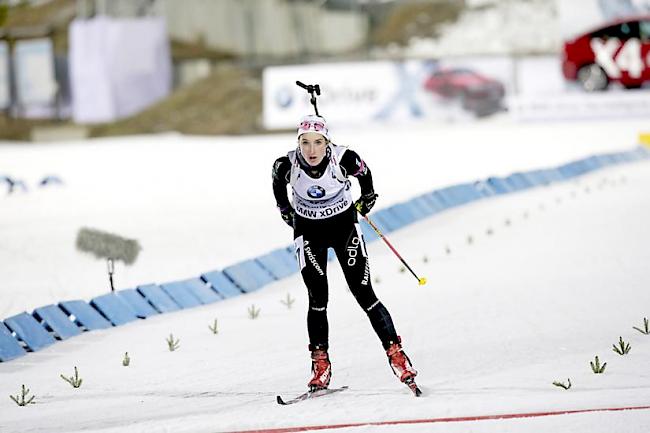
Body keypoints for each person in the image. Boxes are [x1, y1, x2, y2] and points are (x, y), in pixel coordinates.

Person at [271, 114, 418, 392]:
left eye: (318, 142)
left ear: (327, 142)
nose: (311, 150)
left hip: (343, 229)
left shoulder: (344, 158)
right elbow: (278, 185)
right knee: (317, 297)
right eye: (305, 143)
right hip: (308, 233)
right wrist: (285, 211)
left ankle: (397, 355)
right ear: (298, 143)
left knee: (364, 294)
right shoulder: (285, 164)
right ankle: (320, 364)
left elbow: (366, 176)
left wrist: (367, 200)